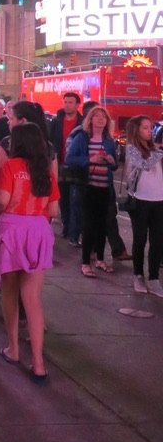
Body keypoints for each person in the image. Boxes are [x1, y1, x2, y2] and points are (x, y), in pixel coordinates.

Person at [0, 124, 59, 384]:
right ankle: (39, 364)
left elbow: (2, 201)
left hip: (13, 230)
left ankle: (13, 349)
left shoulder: (11, 167)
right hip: (39, 232)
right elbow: (54, 210)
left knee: (9, 293)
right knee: (33, 298)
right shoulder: (45, 172)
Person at [65, 106, 118, 278]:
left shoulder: (109, 140)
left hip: (105, 188)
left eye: (103, 117)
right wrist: (90, 160)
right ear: (90, 119)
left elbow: (115, 165)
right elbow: (70, 158)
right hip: (87, 188)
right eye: (97, 116)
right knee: (89, 225)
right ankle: (86, 262)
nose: (100, 119)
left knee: (103, 225)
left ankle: (101, 259)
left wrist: (111, 161)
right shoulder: (82, 137)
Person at [124, 115, 163, 296]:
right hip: (139, 200)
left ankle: (154, 278)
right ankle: (138, 275)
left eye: (150, 127)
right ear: (137, 130)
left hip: (159, 200)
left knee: (157, 240)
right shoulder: (132, 148)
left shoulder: (155, 149)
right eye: (145, 127)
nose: (150, 131)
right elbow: (144, 164)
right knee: (140, 239)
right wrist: (159, 152)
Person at [50, 92, 83, 246]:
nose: (67, 105)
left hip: (76, 167)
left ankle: (73, 232)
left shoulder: (83, 123)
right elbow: (51, 141)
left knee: (75, 200)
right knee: (63, 199)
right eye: (65, 102)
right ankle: (66, 226)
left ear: (77, 105)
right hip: (60, 164)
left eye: (71, 102)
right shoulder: (57, 122)